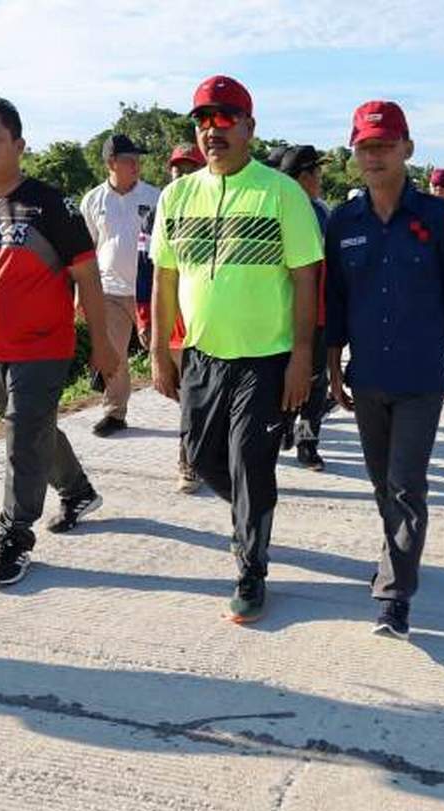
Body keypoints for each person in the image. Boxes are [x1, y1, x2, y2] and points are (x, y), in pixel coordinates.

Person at [0, 96, 120, 586]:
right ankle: (76, 491)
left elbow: (88, 278)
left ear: (18, 144)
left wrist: (103, 344)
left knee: (20, 440)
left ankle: (14, 537)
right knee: (32, 430)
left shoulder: (50, 204)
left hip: (44, 346)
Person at [148, 75, 323, 623]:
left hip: (266, 359)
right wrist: (158, 349)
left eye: (224, 119)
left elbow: (306, 279)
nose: (211, 130)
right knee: (201, 457)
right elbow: (164, 280)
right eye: (202, 119)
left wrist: (302, 357)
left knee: (250, 460)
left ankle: (251, 565)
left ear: (249, 127)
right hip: (202, 354)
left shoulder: (280, 193)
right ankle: (254, 512)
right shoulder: (178, 195)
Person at [324, 100, 444, 640]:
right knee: (381, 484)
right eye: (365, 146)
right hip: (367, 376)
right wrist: (332, 367)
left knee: (407, 484)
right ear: (354, 154)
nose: (375, 155)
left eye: (385, 145)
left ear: (407, 148)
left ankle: (394, 597)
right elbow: (335, 301)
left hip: (420, 377)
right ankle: (398, 559)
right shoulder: (344, 221)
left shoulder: (437, 217)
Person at [78, 133, 159, 437]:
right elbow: (85, 253)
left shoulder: (155, 197)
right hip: (108, 290)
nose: (137, 165)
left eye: (138, 160)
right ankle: (114, 413)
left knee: (164, 350)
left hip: (149, 292)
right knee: (113, 354)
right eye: (129, 160)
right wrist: (79, 295)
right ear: (111, 163)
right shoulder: (93, 201)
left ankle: (191, 410)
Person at [136, 144, 206, 494]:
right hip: (173, 319)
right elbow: (146, 274)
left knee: (202, 394)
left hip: (210, 320)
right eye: (177, 169)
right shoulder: (156, 215)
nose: (181, 175)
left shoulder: (218, 207)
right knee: (189, 394)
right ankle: (191, 457)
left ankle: (197, 452)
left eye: (190, 168)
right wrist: (145, 320)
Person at [278, 144, 333, 471]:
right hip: (282, 313)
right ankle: (283, 427)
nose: (321, 179)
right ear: (303, 177)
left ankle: (306, 442)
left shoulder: (322, 211)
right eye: (317, 172)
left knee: (315, 383)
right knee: (282, 378)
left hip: (319, 313)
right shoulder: (277, 207)